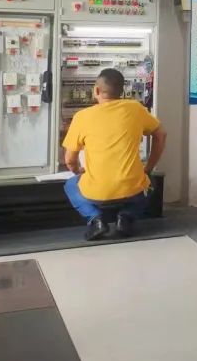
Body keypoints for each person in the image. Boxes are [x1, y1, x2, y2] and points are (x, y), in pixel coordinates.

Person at [63, 68, 166, 241]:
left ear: (96, 90)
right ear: (122, 91)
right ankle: (126, 216)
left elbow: (69, 160)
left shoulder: (82, 117)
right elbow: (161, 135)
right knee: (151, 182)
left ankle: (96, 220)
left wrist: (78, 171)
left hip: (95, 192)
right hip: (132, 189)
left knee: (70, 185)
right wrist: (148, 168)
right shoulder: (136, 108)